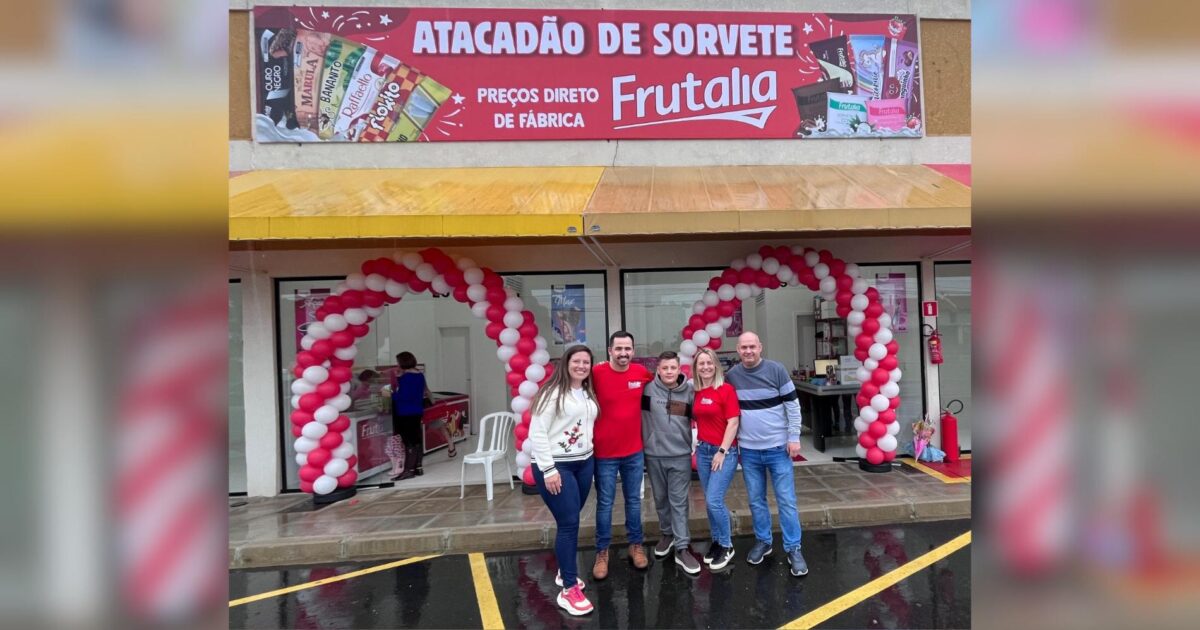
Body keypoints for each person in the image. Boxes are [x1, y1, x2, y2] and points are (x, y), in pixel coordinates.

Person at [725, 332, 809, 577]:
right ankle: (764, 542)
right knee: (756, 500)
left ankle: (794, 548)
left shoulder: (776, 370)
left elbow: (793, 406)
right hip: (749, 450)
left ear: (760, 347)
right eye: (743, 347)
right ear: (737, 350)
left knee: (786, 501)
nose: (748, 351)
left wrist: (794, 437)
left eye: (752, 346)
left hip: (777, 448)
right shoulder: (732, 376)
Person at [527, 344, 599, 616]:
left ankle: (564, 570)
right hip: (557, 466)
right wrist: (548, 469)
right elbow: (538, 432)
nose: (581, 366)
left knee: (571, 518)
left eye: (586, 362)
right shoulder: (551, 393)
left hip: (584, 463)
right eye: (576, 361)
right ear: (566, 363)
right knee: (569, 524)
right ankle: (569, 588)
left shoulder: (586, 391)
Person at [590, 331, 652, 580]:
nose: (623, 353)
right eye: (619, 349)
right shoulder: (596, 373)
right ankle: (601, 551)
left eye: (628, 349)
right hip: (604, 452)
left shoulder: (641, 373)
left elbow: (665, 385)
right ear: (609, 350)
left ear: (633, 351)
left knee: (634, 501)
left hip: (633, 452)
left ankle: (635, 545)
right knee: (605, 503)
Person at [642, 351, 701, 575]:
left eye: (672, 368)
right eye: (664, 368)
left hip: (680, 455)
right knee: (660, 498)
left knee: (678, 501)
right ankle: (667, 534)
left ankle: (683, 547)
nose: (668, 372)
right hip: (654, 454)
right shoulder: (647, 391)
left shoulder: (689, 392)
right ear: (658, 369)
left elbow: (702, 415)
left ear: (679, 369)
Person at [691, 348, 741, 571]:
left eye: (709, 363)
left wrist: (722, 451)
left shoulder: (726, 390)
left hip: (724, 452)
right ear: (696, 368)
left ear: (716, 366)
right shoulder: (697, 391)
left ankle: (727, 545)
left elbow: (733, 422)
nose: (705, 367)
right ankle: (717, 542)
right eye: (701, 363)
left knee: (714, 500)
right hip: (703, 451)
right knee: (710, 503)